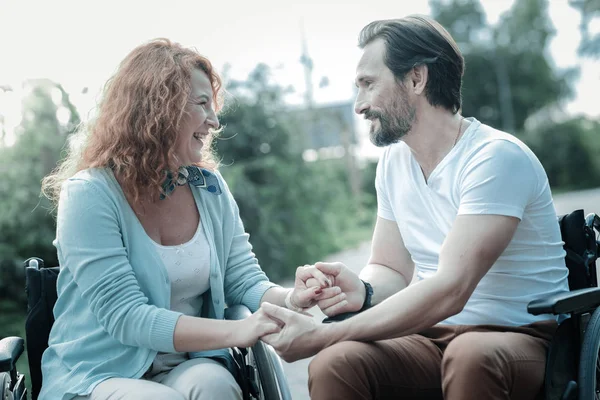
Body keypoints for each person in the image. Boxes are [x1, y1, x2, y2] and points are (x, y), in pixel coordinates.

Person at [260, 15, 570, 400]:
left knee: (470, 355)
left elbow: (450, 289)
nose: (359, 105)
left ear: (416, 79)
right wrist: (365, 289)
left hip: (520, 339)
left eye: (368, 84)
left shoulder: (496, 158)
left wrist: (324, 333)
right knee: (335, 362)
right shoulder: (395, 163)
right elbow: (390, 266)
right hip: (434, 337)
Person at [39, 38, 337, 400]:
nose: (214, 121)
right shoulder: (89, 194)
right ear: (158, 109)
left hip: (184, 365)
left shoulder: (208, 188)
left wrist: (292, 298)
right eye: (202, 105)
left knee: (215, 384)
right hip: (99, 373)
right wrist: (238, 331)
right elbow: (127, 317)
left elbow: (242, 279)